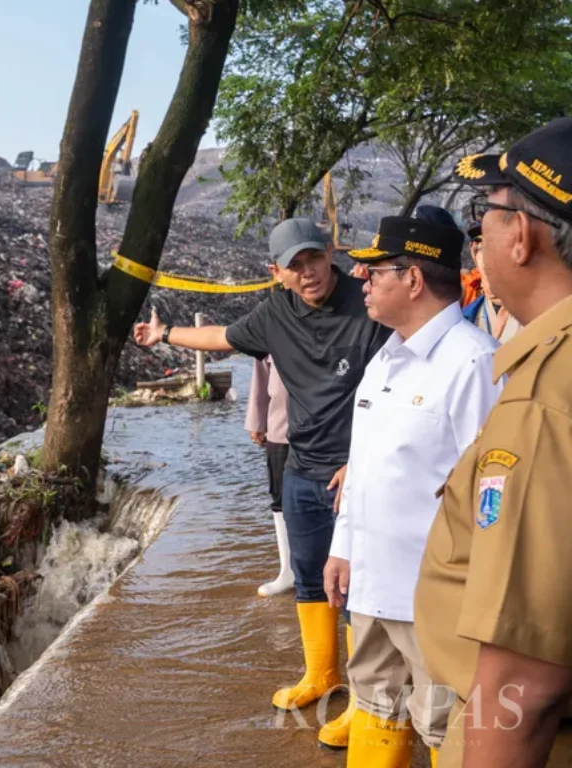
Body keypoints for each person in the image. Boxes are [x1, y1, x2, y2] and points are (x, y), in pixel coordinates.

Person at [133, 218, 391, 749]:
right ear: (277, 273)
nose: (308, 272)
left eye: (314, 259)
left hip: (360, 470)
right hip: (302, 467)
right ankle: (322, 675)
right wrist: (165, 335)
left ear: (330, 253)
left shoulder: (368, 304)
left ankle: (369, 704)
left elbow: (405, 376)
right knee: (309, 577)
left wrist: (369, 459)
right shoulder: (275, 313)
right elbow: (222, 337)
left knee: (363, 589)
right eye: (294, 266)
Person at [415, 116, 572, 768]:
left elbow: (522, 687)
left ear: (525, 237)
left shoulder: (544, 394)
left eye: (488, 216)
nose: (478, 238)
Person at [323, 215, 503, 765]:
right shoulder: (386, 358)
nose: (361, 279)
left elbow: (494, 494)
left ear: (414, 279)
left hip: (436, 601)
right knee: (376, 710)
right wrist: (343, 545)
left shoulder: (474, 362)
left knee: (446, 730)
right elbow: (367, 463)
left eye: (375, 271)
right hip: (374, 587)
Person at [244, 355, 293, 596]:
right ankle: (288, 570)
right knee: (280, 497)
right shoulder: (273, 322)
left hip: (324, 430)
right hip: (280, 428)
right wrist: (257, 420)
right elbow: (261, 370)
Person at [463, 222, 524, 341]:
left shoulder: (542, 312)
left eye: (500, 246)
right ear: (474, 253)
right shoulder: (467, 317)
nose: (491, 257)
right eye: (483, 247)